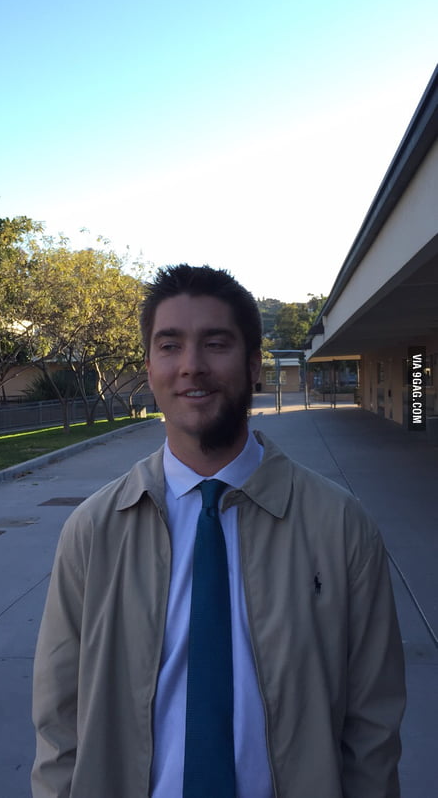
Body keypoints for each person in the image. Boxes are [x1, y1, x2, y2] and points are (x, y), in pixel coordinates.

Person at [32, 264, 406, 798]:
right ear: (150, 368)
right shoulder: (92, 532)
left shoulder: (341, 526)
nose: (192, 366)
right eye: (170, 346)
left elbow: (372, 728)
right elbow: (58, 722)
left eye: (215, 343)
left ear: (254, 365)